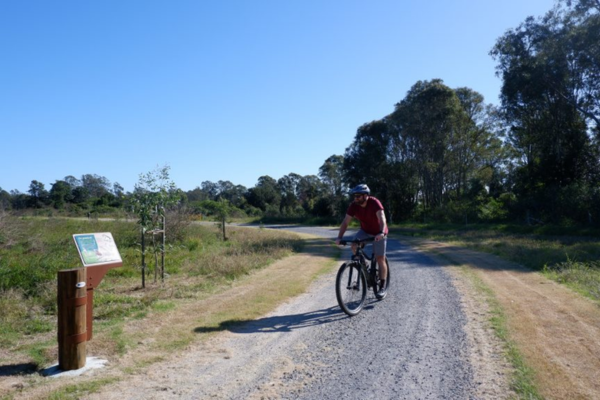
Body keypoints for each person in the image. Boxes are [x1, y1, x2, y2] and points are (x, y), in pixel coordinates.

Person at [335, 184, 389, 295]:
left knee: (380, 258)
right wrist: (339, 237)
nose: (355, 198)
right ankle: (365, 267)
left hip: (379, 232)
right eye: (354, 196)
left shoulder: (374, 202)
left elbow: (382, 218)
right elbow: (345, 222)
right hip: (365, 231)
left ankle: (382, 286)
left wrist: (381, 232)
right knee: (354, 245)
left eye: (358, 196)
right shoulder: (354, 206)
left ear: (365, 195)